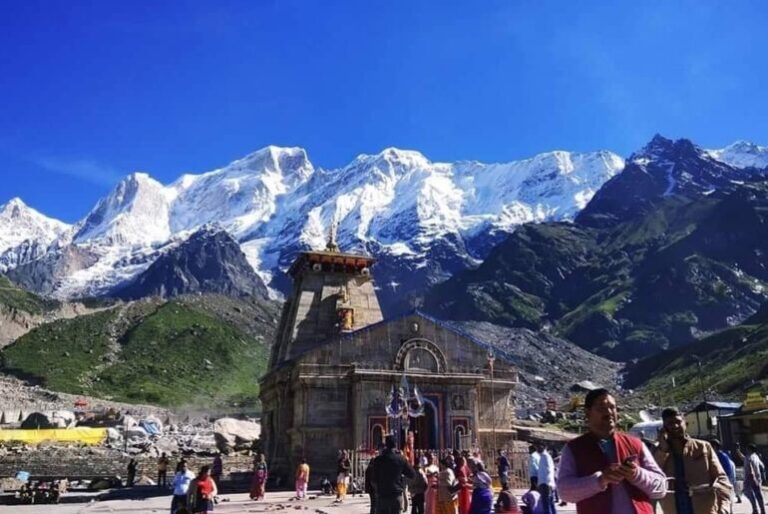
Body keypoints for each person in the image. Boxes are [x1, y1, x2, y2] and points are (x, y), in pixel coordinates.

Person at [557, 388, 666, 514]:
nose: (609, 412)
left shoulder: (636, 444)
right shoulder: (574, 449)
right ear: (587, 413)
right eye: (601, 408)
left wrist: (637, 474)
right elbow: (564, 492)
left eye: (612, 407)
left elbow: (661, 488)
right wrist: (600, 480)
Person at [654, 407, 731, 514]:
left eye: (678, 422)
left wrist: (724, 505)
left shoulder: (703, 447)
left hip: (704, 508)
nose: (675, 426)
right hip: (673, 509)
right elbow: (652, 478)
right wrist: (662, 450)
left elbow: (721, 478)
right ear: (664, 427)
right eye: (670, 423)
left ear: (686, 423)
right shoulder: (658, 452)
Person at [372, 435, 417, 514]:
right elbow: (412, 474)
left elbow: (373, 480)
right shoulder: (401, 459)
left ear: (385, 445)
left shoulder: (378, 460)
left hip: (382, 496)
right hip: (396, 495)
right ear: (395, 445)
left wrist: (378, 490)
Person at [711, 439, 737, 513]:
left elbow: (727, 471)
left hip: (724, 482)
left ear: (715, 447)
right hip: (723, 482)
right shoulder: (720, 455)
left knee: (725, 502)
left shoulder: (721, 456)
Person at [744, 444, 766, 514]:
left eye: (747, 449)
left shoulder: (749, 457)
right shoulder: (756, 456)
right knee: (758, 494)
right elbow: (762, 466)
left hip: (750, 478)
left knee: (748, 493)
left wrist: (752, 477)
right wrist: (763, 477)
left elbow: (750, 467)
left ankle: (755, 509)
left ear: (749, 449)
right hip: (758, 478)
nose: (746, 450)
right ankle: (762, 510)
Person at [536, 443, 557, 514]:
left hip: (545, 483)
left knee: (546, 505)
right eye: (537, 447)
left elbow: (548, 471)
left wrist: (546, 483)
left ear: (544, 447)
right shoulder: (544, 456)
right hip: (547, 483)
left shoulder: (545, 456)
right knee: (550, 503)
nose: (537, 448)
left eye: (539, 446)